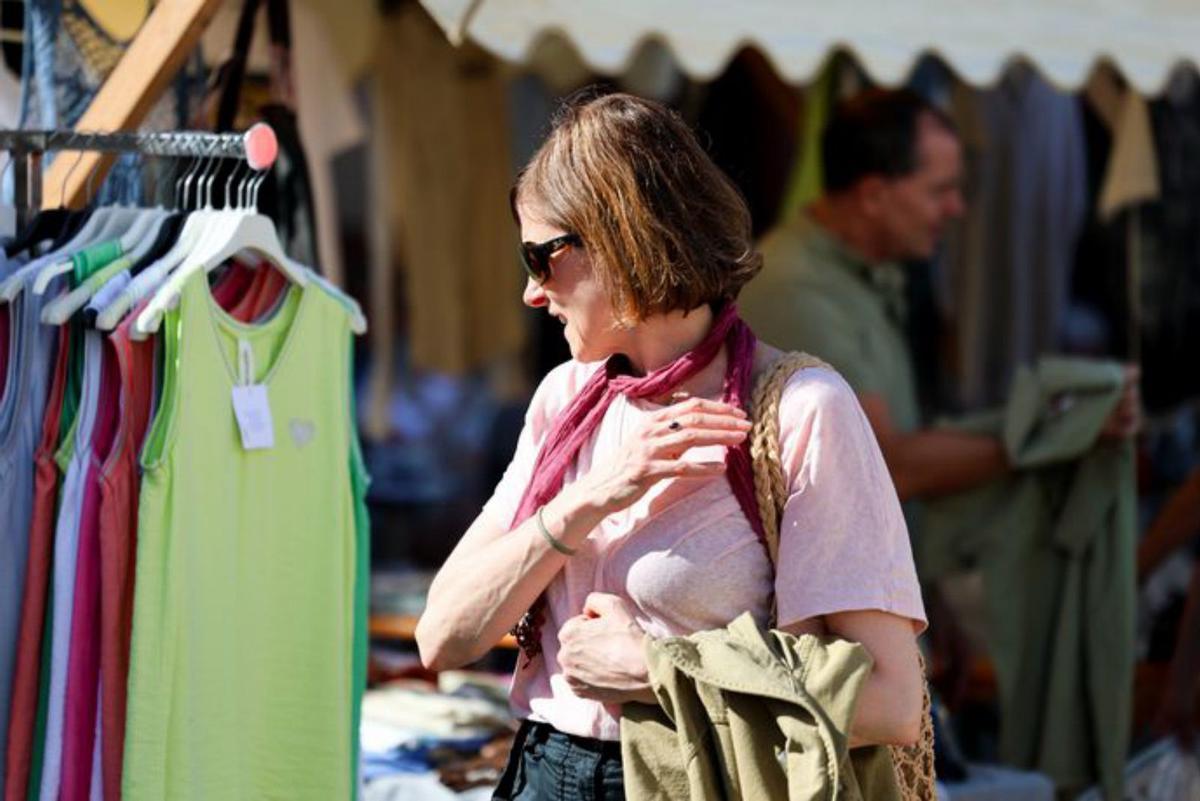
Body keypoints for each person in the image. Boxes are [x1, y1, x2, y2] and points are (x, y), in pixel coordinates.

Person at [415, 90, 928, 800]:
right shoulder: (567, 399)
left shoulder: (799, 410)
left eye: (541, 257)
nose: (532, 292)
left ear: (620, 239)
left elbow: (893, 701)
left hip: (696, 778)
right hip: (542, 769)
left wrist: (660, 669)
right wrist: (588, 500)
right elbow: (443, 637)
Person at [739, 89, 1141, 702]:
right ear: (874, 194)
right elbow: (892, 467)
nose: (955, 208)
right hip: (826, 659)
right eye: (938, 189)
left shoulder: (869, 275)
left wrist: (926, 605)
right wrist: (1051, 435)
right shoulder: (799, 290)